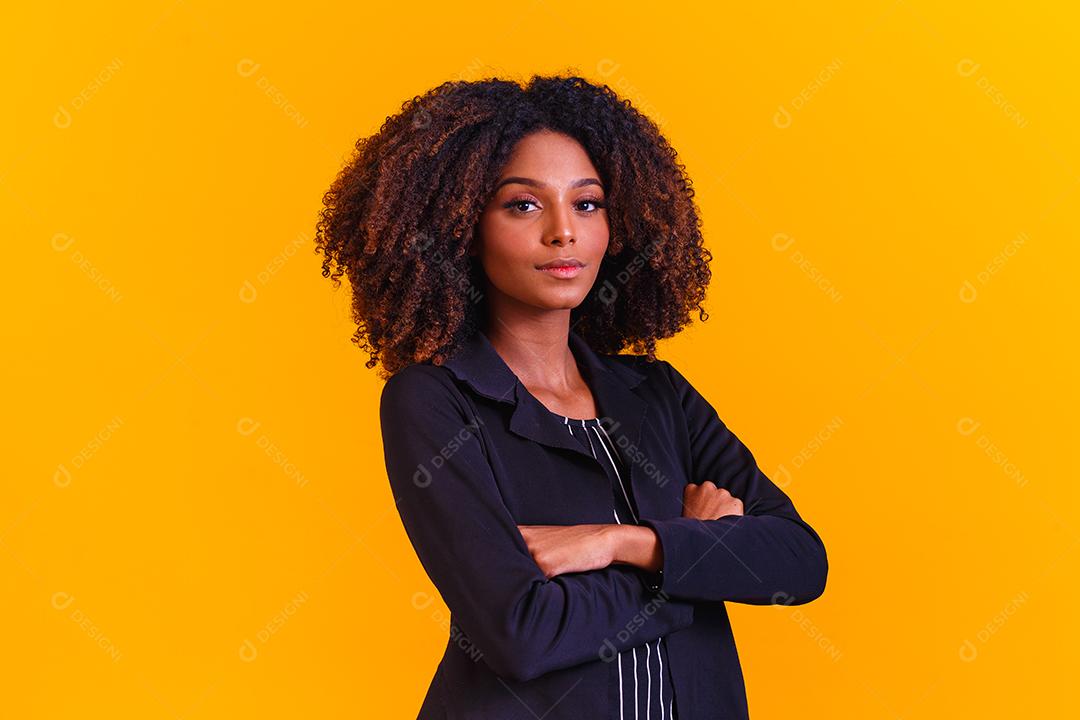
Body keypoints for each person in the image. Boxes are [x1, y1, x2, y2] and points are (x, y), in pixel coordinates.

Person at [314, 73, 828, 720]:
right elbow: (522, 633)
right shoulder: (434, 401)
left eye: (587, 204)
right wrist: (695, 554)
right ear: (457, 225)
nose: (564, 232)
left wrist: (626, 543)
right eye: (523, 205)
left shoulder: (656, 394)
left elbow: (798, 563)